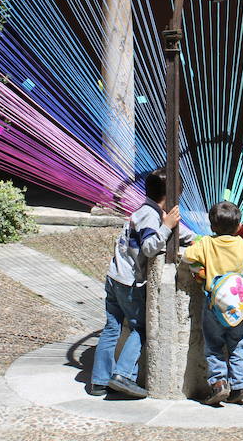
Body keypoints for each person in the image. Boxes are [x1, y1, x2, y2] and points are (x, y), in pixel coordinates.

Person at [90, 168, 195, 397]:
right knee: (140, 328)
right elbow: (149, 248)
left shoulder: (145, 210)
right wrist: (167, 226)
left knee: (112, 327)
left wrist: (197, 238)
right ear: (170, 195)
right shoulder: (150, 215)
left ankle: (99, 380)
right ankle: (123, 375)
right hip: (128, 283)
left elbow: (178, 231)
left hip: (114, 277)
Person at [183, 201, 243, 405]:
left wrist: (198, 245)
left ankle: (219, 384)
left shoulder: (206, 244)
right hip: (239, 307)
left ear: (211, 227)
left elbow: (186, 256)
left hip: (214, 305)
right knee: (238, 344)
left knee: (213, 345)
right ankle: (240, 385)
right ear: (238, 227)